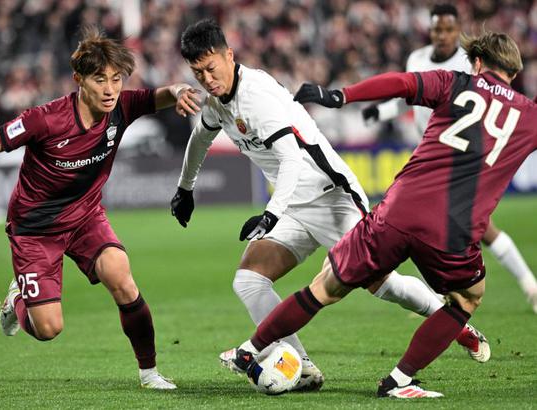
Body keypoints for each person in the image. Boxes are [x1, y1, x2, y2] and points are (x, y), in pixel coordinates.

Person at [170, 19, 489, 392]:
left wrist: (270, 214)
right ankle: (301, 366)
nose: (207, 79)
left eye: (211, 68)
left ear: (229, 55)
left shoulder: (256, 95)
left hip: (332, 198)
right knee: (249, 279)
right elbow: (200, 137)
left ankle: (454, 324)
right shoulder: (217, 103)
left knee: (382, 285)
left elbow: (291, 158)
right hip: (293, 205)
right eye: (198, 73)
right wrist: (185, 188)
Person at [228, 30, 534, 398]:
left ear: (479, 63)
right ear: (514, 72)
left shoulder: (454, 82)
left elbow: (400, 83)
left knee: (325, 287)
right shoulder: (529, 116)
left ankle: (249, 349)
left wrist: (342, 95)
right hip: (452, 228)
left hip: (398, 209)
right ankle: (398, 380)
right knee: (467, 298)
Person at [0, 28, 202, 390]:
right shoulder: (45, 119)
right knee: (48, 328)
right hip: (35, 230)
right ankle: (17, 299)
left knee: (122, 277)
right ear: (79, 80)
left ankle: (149, 372)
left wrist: (181, 91)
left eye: (116, 79)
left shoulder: (122, 107)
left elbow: (165, 94)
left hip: (85, 217)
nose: (110, 89)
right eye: (100, 80)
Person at [363, 4, 537, 313]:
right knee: (450, 231)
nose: (442, 35)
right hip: (431, 155)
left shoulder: (470, 64)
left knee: (476, 230)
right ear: (429, 31)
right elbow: (411, 96)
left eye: (448, 29)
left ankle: (527, 285)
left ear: (458, 31)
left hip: (463, 161)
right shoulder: (417, 58)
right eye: (436, 29)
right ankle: (454, 300)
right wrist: (382, 110)